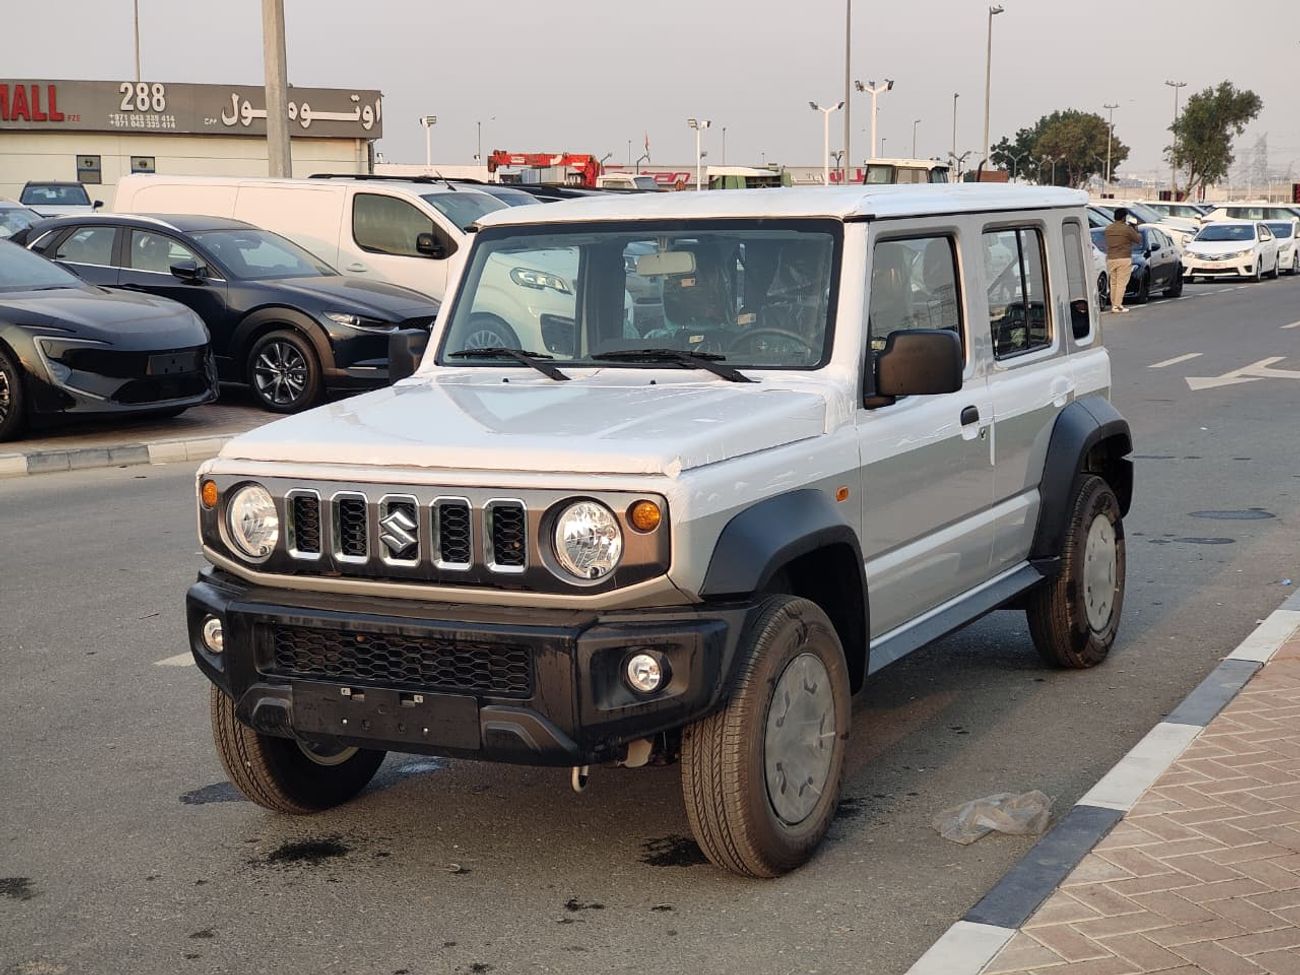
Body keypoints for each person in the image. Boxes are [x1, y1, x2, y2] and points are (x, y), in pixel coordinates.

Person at [1104, 208, 1142, 313]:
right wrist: (1135, 228)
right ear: (1124, 217)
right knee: (1121, 283)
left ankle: (1114, 305)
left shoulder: (1108, 229)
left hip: (1111, 257)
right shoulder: (1127, 229)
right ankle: (1118, 305)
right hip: (1124, 258)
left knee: (1113, 283)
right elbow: (1138, 239)